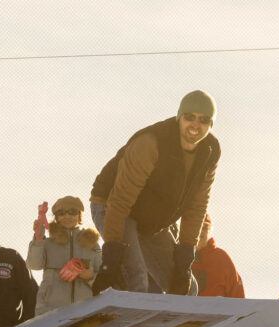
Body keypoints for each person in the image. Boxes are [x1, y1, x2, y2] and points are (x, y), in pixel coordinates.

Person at [90, 90, 220, 295]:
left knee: (186, 289)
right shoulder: (151, 143)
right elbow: (120, 200)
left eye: (203, 120)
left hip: (151, 221)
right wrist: (112, 255)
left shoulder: (209, 152)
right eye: (190, 117)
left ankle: (170, 318)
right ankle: (112, 311)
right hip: (113, 207)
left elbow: (197, 206)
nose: (195, 125)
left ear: (211, 124)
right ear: (179, 117)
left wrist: (184, 259)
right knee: (137, 281)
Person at [26, 196, 102, 315]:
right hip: (50, 310)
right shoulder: (47, 243)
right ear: (56, 218)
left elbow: (103, 276)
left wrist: (90, 276)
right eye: (61, 213)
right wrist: (38, 239)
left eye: (72, 212)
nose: (67, 216)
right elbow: (34, 265)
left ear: (79, 215)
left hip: (85, 310)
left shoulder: (92, 244)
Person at [192, 213, 244, 298]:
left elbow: (237, 293)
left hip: (216, 307)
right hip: (184, 306)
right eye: (198, 226)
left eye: (205, 228)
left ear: (210, 231)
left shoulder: (221, 257)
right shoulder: (180, 256)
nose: (201, 231)